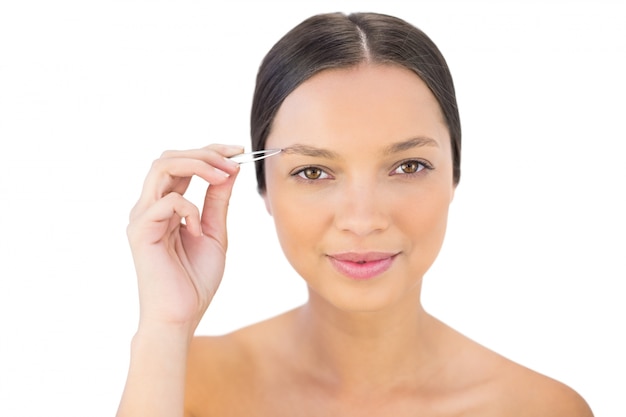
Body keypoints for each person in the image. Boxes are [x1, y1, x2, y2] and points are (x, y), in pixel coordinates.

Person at [116, 12, 593, 416]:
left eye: (408, 166)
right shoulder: (182, 384)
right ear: (263, 189)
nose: (362, 220)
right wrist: (165, 326)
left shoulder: (540, 407)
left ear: (454, 175)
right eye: (314, 172)